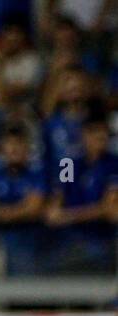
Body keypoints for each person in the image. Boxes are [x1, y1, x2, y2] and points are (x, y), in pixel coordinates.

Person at [45, 108, 118, 274]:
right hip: (68, 241)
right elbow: (54, 208)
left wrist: (69, 216)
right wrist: (92, 211)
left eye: (103, 133)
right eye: (93, 132)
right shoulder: (68, 163)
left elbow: (111, 210)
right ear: (83, 135)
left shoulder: (114, 164)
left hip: (101, 241)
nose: (100, 138)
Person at [0, 124, 45, 274]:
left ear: (27, 147)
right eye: (10, 143)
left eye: (19, 143)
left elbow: (34, 208)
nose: (14, 149)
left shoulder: (37, 168)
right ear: (1, 147)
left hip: (29, 244)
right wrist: (19, 211)